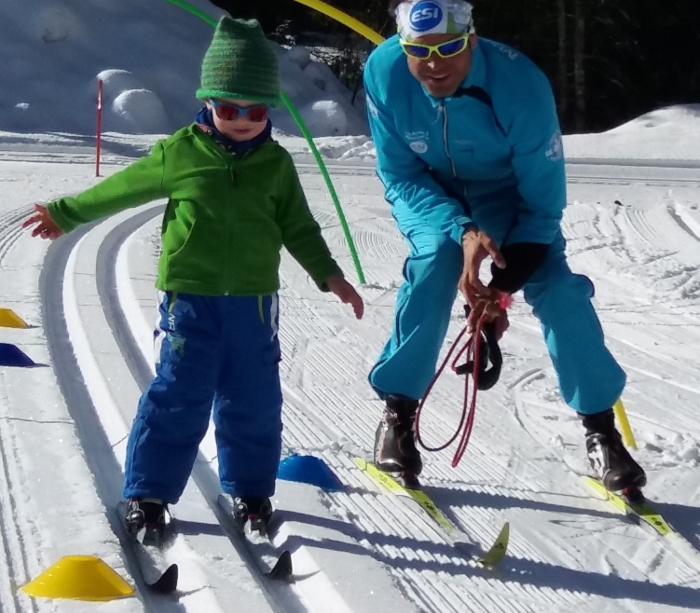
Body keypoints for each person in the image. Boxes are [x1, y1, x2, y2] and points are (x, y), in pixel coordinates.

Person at [24, 16, 364, 533]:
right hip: (190, 300)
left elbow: (298, 226)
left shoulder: (276, 165)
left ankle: (251, 492)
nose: (244, 120)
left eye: (256, 109)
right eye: (230, 108)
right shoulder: (178, 153)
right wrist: (66, 212)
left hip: (252, 304)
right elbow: (120, 190)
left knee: (253, 398)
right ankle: (149, 493)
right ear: (207, 101)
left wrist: (328, 274)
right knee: (179, 394)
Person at [363, 0, 645, 493]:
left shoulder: (521, 86)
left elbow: (541, 208)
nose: (434, 63)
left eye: (449, 47)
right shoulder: (384, 71)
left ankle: (601, 432)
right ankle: (398, 414)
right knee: (434, 264)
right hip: (433, 195)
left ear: (472, 38)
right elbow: (400, 174)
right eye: (418, 49)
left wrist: (501, 289)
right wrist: (460, 228)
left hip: (511, 200)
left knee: (558, 290)